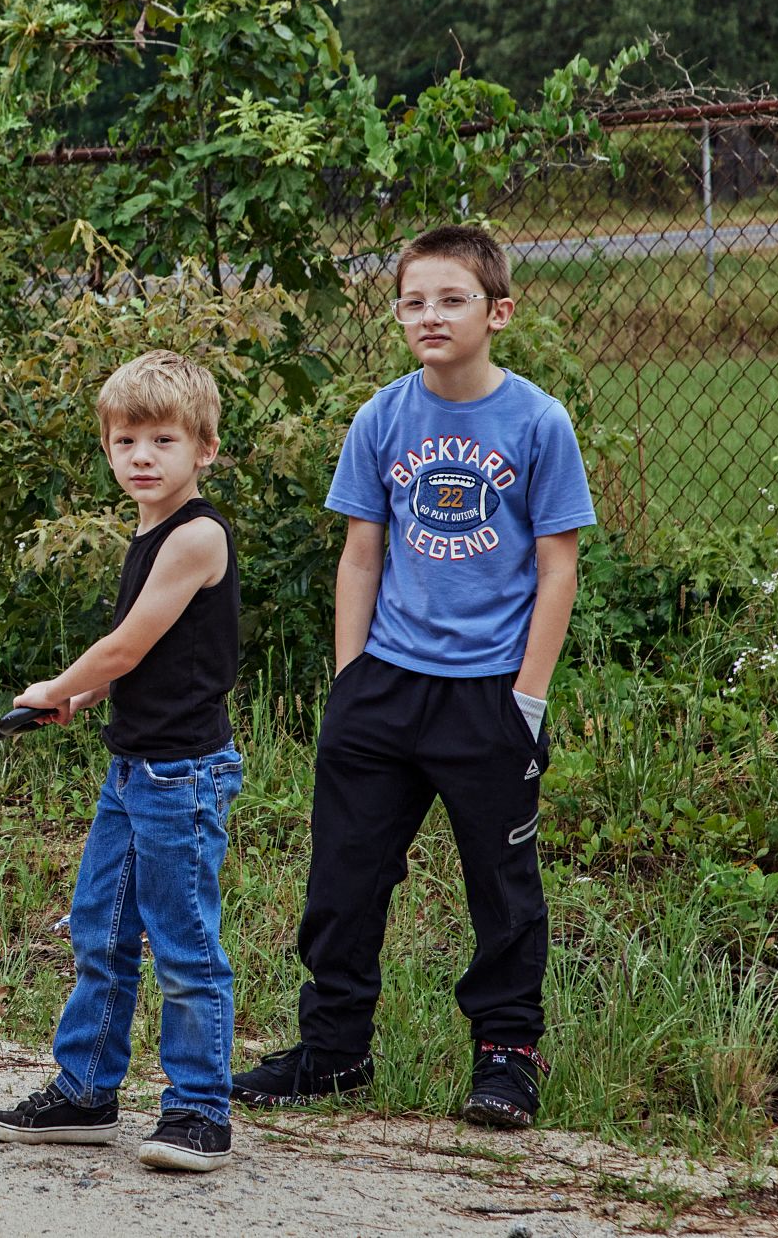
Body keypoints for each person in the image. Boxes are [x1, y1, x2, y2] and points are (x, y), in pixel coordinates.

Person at [231, 225, 596, 1128]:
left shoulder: (538, 422)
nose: (430, 316)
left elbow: (557, 569)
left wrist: (527, 699)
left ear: (498, 312)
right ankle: (334, 1050)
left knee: (502, 890)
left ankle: (506, 1057)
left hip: (489, 694)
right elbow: (362, 554)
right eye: (412, 301)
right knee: (344, 879)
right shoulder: (382, 418)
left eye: (451, 299)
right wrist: (350, 680)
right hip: (385, 688)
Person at [0, 349, 244, 1173]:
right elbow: (147, 653)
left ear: (205, 448)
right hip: (133, 771)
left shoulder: (196, 535)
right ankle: (86, 1092)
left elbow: (125, 645)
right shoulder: (149, 531)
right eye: (125, 441)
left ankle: (200, 1111)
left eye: (163, 440)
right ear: (107, 448)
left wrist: (58, 684)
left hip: (181, 777)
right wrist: (86, 697)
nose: (142, 457)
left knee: (185, 946)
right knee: (101, 931)